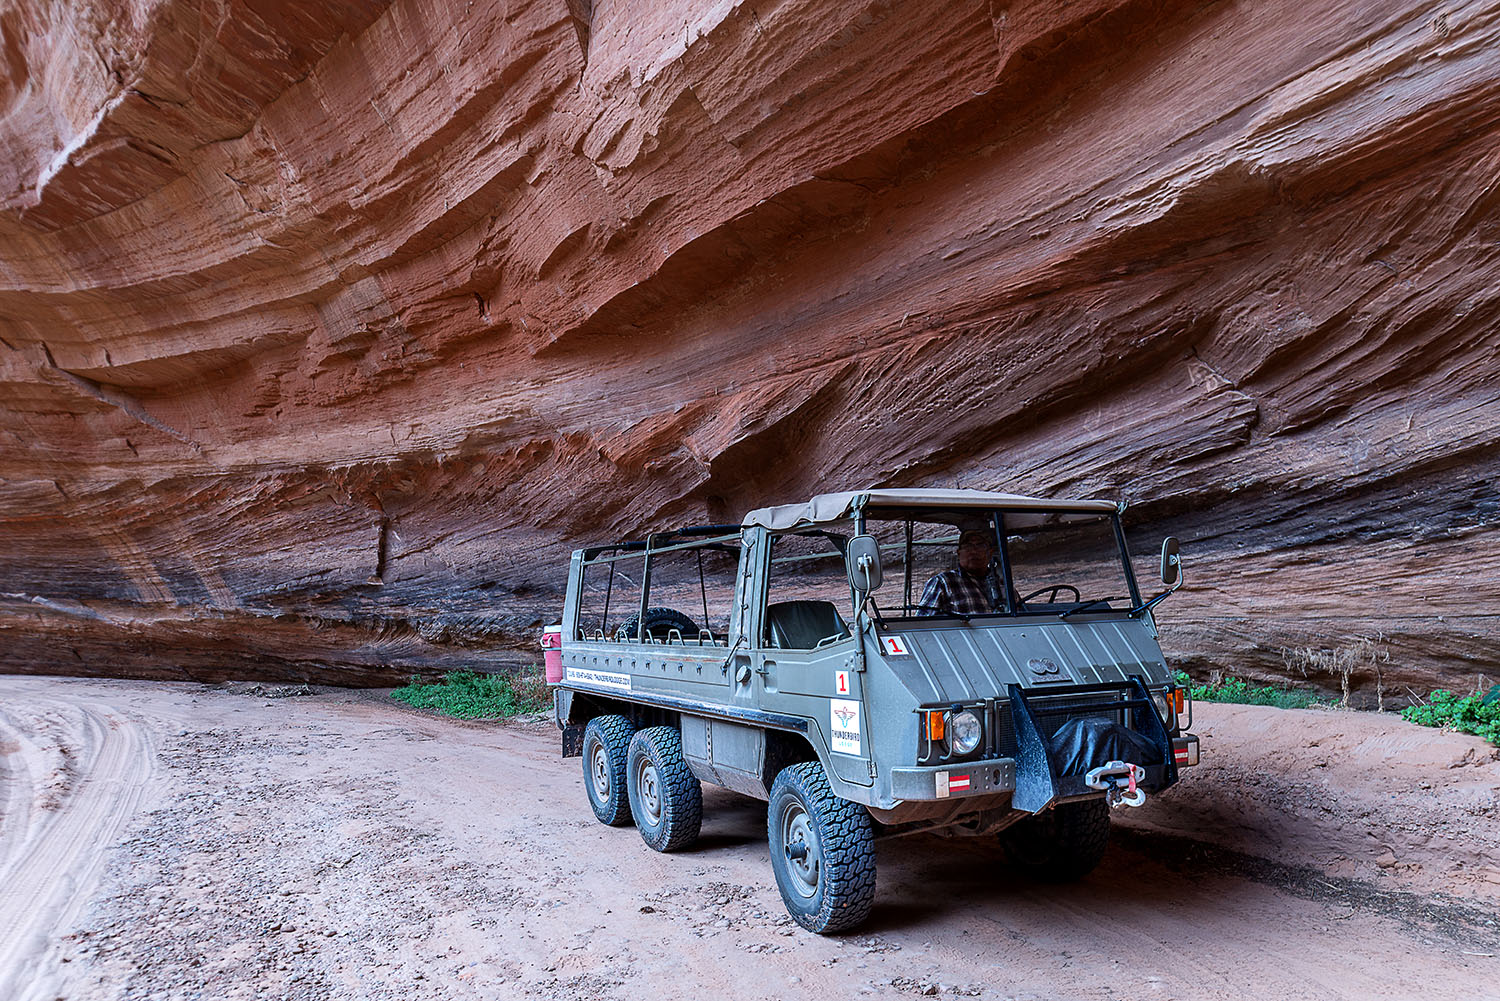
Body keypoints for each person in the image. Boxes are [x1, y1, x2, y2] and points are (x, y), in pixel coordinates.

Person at [916, 529, 1002, 616]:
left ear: (990, 553)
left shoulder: (1002, 586)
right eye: (968, 546)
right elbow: (921, 624)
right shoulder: (943, 583)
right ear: (959, 553)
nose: (974, 551)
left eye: (980, 546)